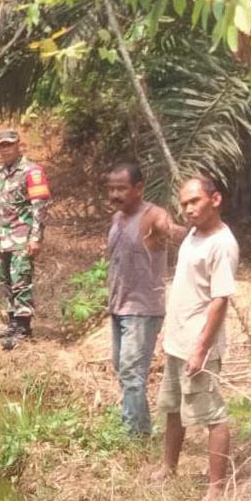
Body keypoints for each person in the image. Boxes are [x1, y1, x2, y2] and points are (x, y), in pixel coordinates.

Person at [153, 176, 238, 501]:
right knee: (173, 407)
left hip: (197, 346)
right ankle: (168, 467)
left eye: (195, 201)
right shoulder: (194, 234)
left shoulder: (222, 244)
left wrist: (201, 348)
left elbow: (220, 300)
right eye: (184, 203)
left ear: (215, 199)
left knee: (212, 415)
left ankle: (216, 488)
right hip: (177, 341)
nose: (188, 209)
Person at [105, 163, 182, 436]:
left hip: (142, 309)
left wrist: (183, 231)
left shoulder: (152, 216)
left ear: (139, 188)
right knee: (123, 371)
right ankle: (139, 427)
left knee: (132, 375)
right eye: (111, 188)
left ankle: (134, 437)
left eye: (121, 189)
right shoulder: (118, 218)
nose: (115, 194)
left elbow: (170, 229)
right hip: (118, 307)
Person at [0, 129, 50, 350]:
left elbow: (39, 207)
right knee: (6, 282)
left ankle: (23, 328)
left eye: (9, 144)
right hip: (3, 238)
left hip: (22, 237)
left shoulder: (32, 172)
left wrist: (36, 238)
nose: (6, 149)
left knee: (21, 280)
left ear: (19, 145)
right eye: (2, 145)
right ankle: (12, 323)